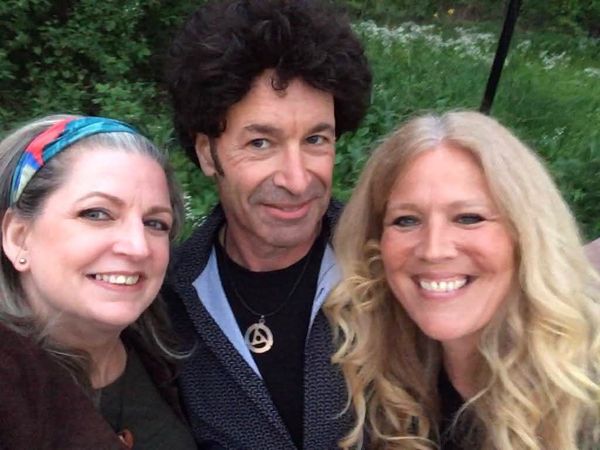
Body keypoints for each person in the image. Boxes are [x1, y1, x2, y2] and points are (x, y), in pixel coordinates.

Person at [163, 0, 372, 448]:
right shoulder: (166, 301)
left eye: (315, 139)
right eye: (261, 142)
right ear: (207, 153)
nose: (296, 179)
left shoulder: (385, 268)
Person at [326, 111, 600, 450]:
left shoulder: (585, 397)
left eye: (469, 218)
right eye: (406, 220)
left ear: (525, 235)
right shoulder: (375, 377)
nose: (434, 249)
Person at [0, 115, 196, 449]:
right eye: (96, 214)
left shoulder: (173, 355)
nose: (137, 247)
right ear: (18, 237)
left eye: (155, 223)